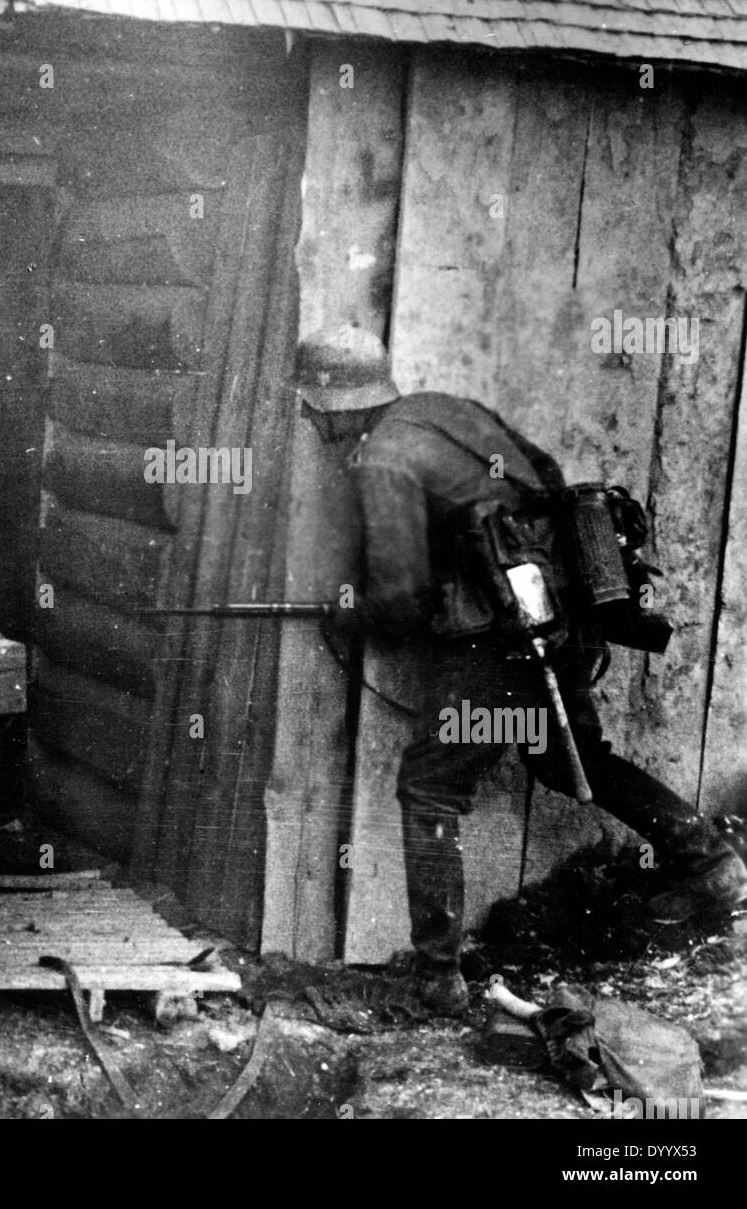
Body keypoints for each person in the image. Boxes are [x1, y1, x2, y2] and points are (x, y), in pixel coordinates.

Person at [297, 322, 747, 1017]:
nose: (308, 416)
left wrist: (345, 610)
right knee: (568, 756)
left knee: (430, 789)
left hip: (494, 645)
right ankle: (707, 859)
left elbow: (399, 594)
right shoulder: (447, 410)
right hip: (558, 623)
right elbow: (545, 483)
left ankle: (437, 978)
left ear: (335, 401)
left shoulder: (383, 457)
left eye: (310, 403)